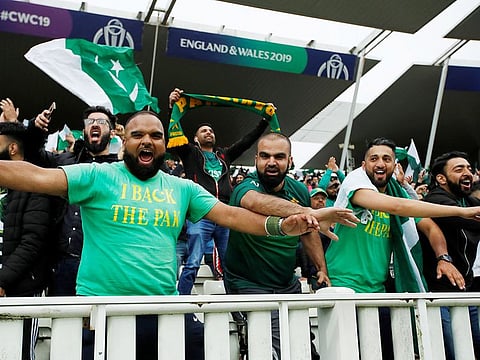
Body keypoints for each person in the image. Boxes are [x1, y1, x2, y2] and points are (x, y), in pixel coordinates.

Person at [0, 111, 358, 359]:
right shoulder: (97, 176)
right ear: (124, 139)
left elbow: (233, 215)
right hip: (103, 313)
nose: (147, 141)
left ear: (164, 144)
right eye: (138, 134)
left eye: (156, 136)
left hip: (164, 310)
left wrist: (287, 224)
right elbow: (31, 176)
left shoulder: (181, 188)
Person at [325, 137, 476, 358]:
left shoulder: (396, 190)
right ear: (363, 165)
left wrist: (444, 257)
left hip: (379, 291)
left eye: (386, 159)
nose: (380, 163)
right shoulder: (355, 185)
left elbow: (429, 227)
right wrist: (461, 211)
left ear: (395, 165)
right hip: (343, 286)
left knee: (386, 352)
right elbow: (398, 207)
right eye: (374, 158)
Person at [224, 132, 357, 359]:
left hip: (287, 284)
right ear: (256, 160)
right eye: (265, 156)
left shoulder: (298, 190)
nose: (272, 162)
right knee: (275, 350)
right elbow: (254, 201)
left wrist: (320, 268)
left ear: (290, 161)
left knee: (305, 347)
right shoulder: (246, 187)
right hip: (248, 284)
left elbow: (309, 232)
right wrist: (310, 211)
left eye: (279, 156)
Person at [168, 88, 270, 295]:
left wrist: (264, 121)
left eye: (211, 131)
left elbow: (247, 140)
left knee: (229, 265)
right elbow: (172, 132)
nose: (208, 133)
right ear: (195, 138)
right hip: (200, 214)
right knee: (193, 262)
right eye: (203, 131)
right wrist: (173, 108)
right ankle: (179, 304)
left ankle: (237, 310)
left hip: (225, 213)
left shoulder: (225, 155)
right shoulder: (189, 153)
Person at [23, 105, 120, 297]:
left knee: (95, 325)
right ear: (84, 131)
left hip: (102, 263)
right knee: (61, 322)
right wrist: (35, 128)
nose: (95, 125)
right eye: (90, 122)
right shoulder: (67, 161)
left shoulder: (119, 170)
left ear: (112, 132)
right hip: (63, 262)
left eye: (102, 122)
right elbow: (33, 156)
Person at [0, 122, 54, 360]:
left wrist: (2, 281)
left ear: (12, 148)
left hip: (19, 290)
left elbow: (32, 242)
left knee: (18, 354)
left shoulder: (35, 185)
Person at [420, 151, 480, 359]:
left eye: (469, 170)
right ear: (441, 178)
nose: (467, 173)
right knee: (449, 351)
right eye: (459, 169)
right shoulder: (435, 200)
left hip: (466, 290)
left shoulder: (469, 202)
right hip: (437, 294)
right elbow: (463, 219)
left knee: (474, 347)